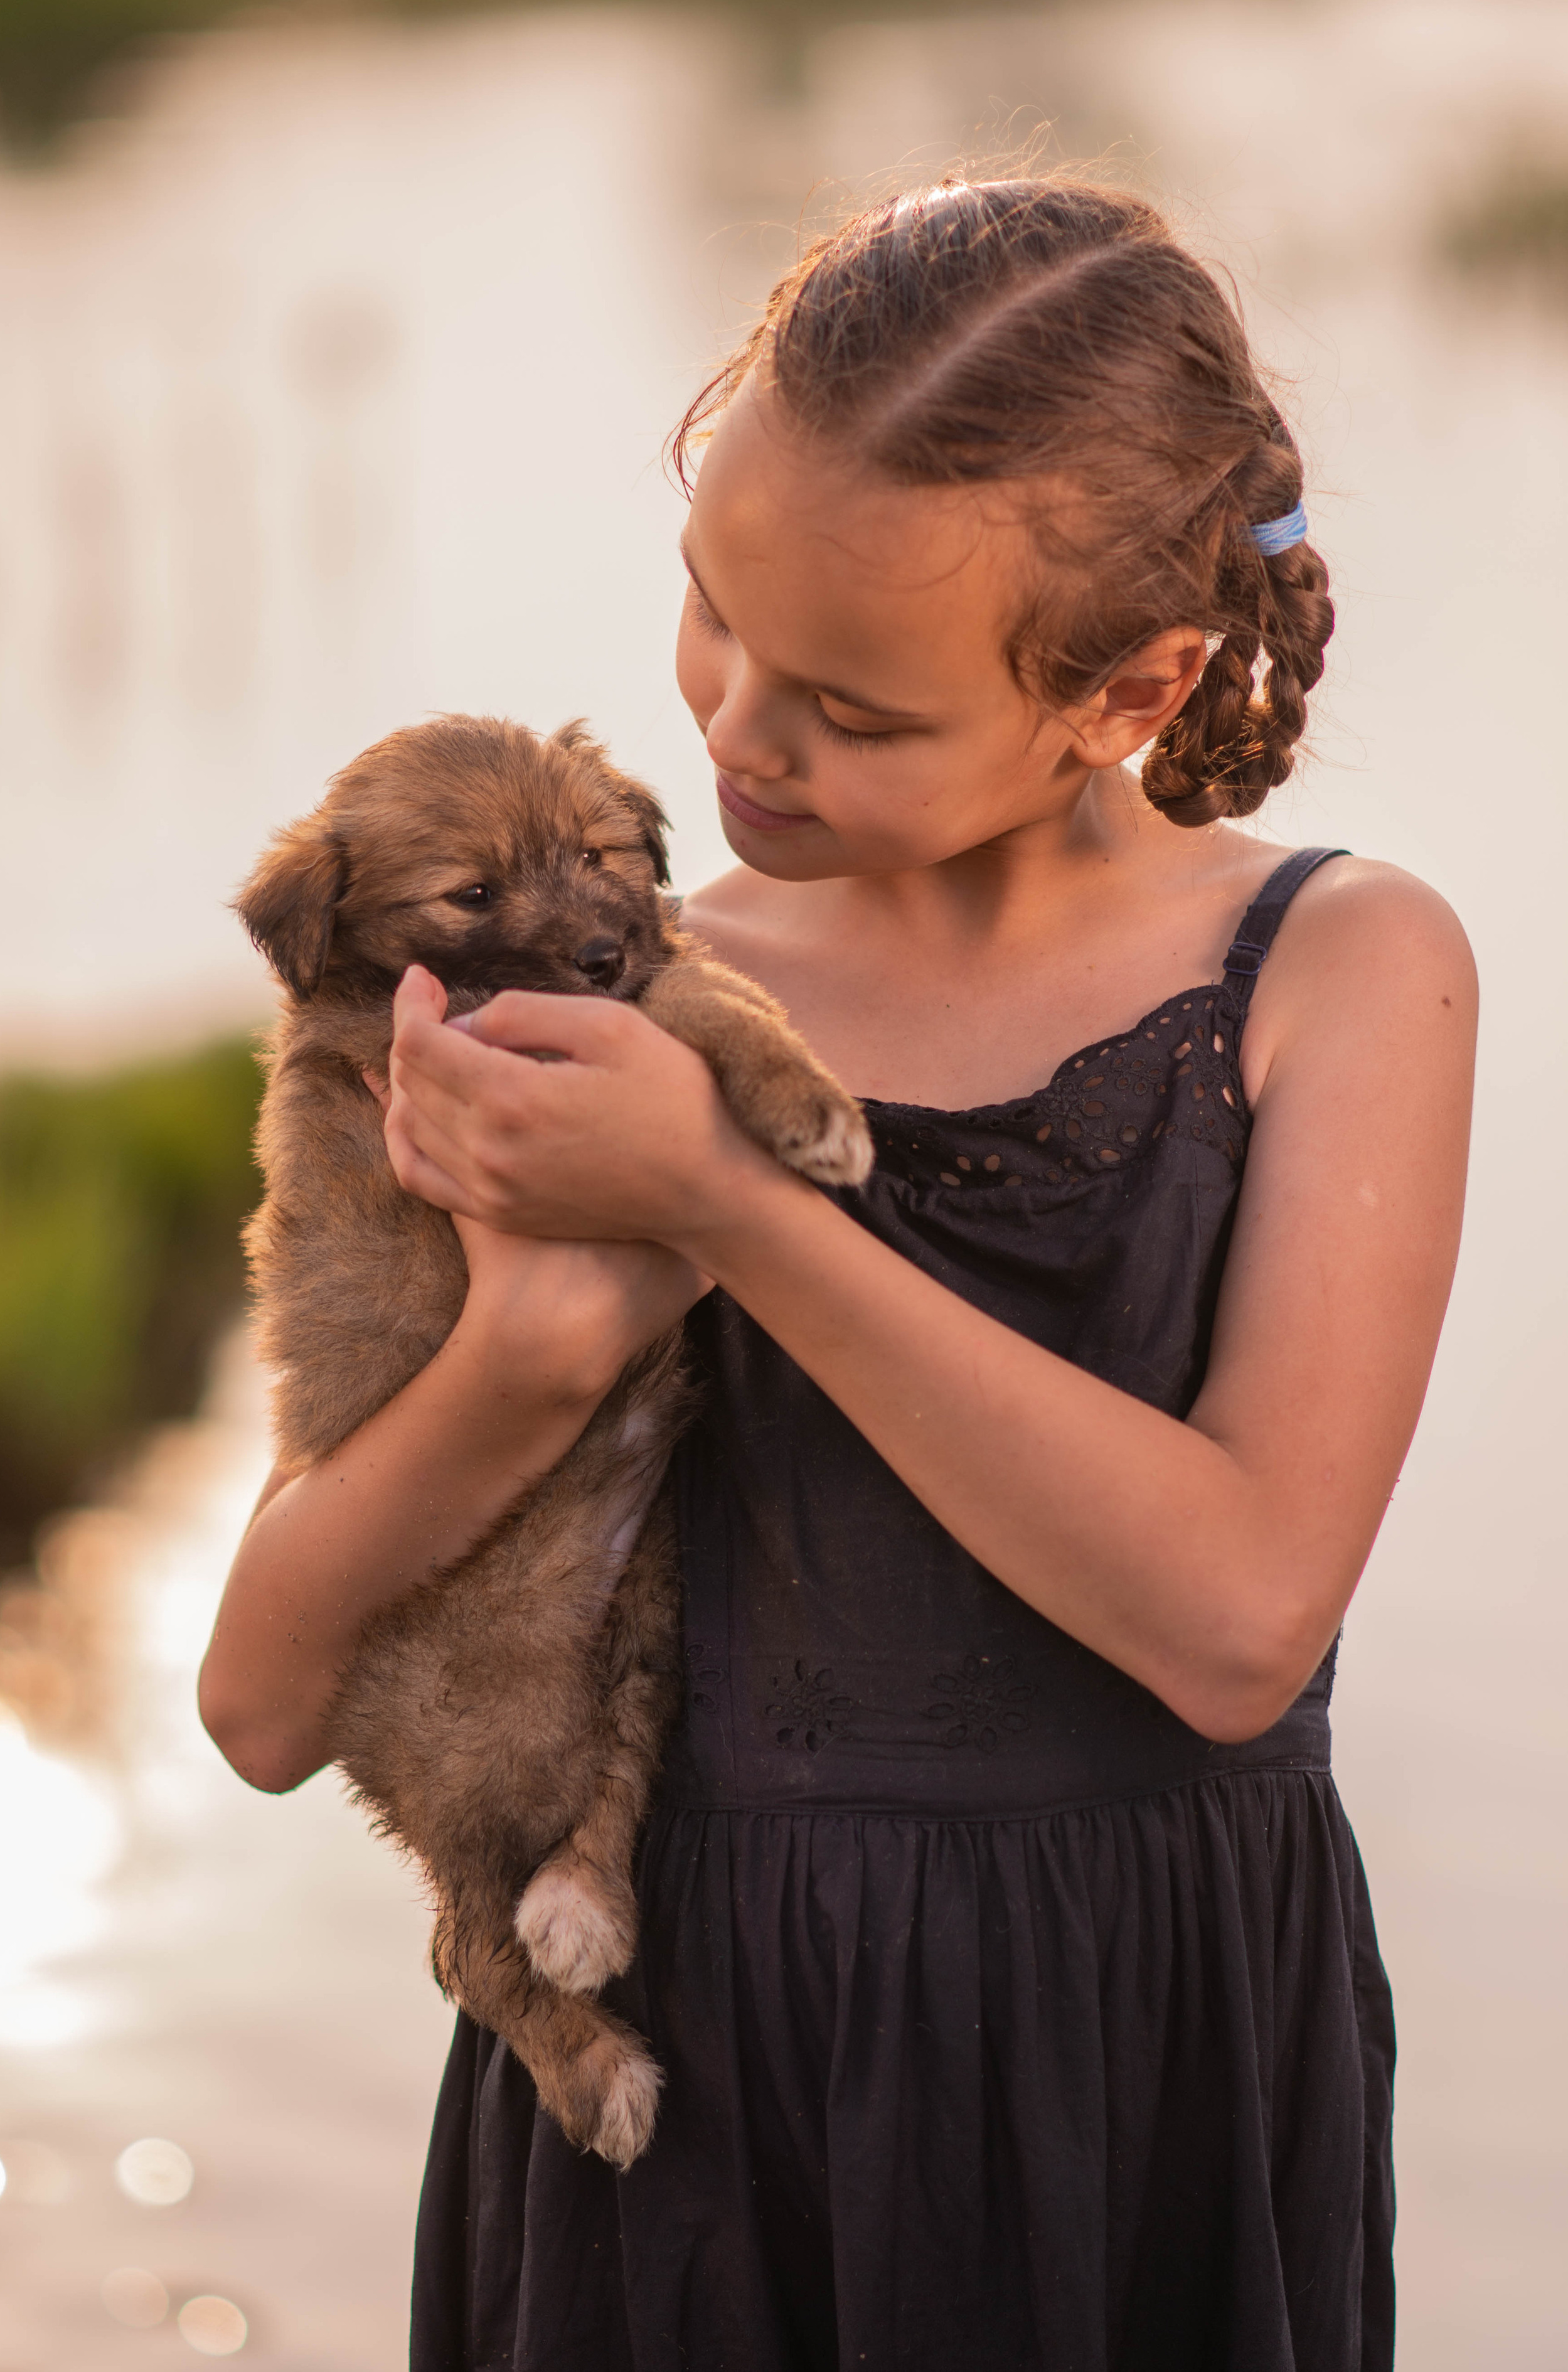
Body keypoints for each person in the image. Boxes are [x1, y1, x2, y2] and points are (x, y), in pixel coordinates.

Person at [201, 176, 1475, 2369]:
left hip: (1129, 2042)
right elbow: (259, 1698)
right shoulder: (615, 991)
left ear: (1132, 690)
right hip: (683, 2063)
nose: (732, 737)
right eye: (712, 615)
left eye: (852, 711)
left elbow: (1244, 1618)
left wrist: (727, 1208)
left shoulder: (1343, 969)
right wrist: (523, 1347)